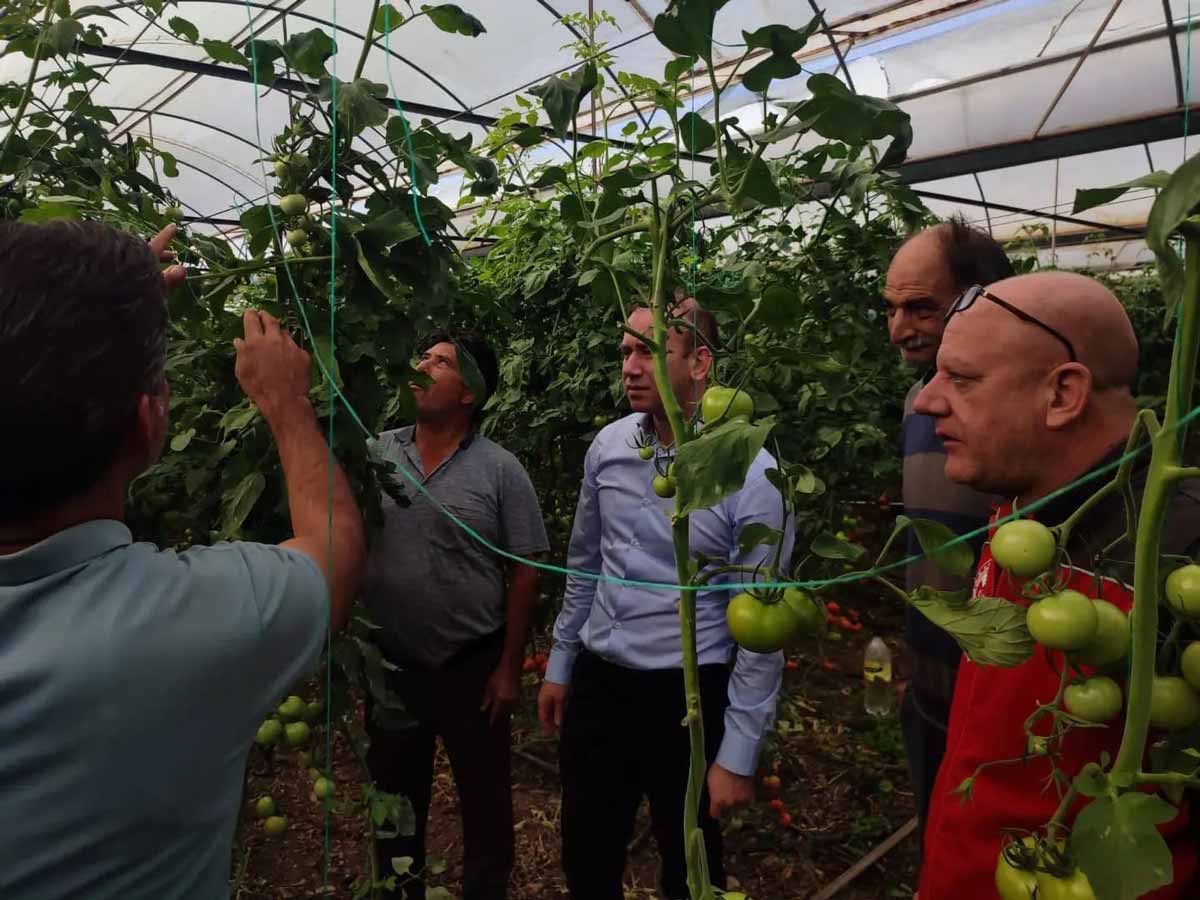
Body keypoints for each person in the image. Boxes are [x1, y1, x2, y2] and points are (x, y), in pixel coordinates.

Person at [0, 220, 365, 899]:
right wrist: (286, 405)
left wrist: (66, 317)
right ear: (147, 425)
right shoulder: (191, 627)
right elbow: (335, 544)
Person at [912, 271, 1200, 897]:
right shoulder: (1021, 507)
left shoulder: (1179, 566)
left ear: (1064, 394)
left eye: (961, 379)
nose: (926, 400)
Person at [537, 299, 792, 900]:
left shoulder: (752, 475)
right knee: (587, 845)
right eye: (625, 351)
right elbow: (584, 564)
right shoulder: (609, 446)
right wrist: (561, 661)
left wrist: (737, 750)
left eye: (649, 352)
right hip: (602, 679)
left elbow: (762, 622)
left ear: (700, 362)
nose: (629, 367)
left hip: (688, 694)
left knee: (689, 857)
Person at [363, 330, 549, 900]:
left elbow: (525, 569)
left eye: (440, 362)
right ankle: (398, 890)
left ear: (470, 390)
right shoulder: (376, 452)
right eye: (422, 355)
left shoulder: (500, 470)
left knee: (486, 800)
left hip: (472, 663)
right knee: (394, 800)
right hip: (393, 663)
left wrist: (509, 668)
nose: (422, 366)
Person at [882, 217, 1013, 860]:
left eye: (919, 306)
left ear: (977, 296)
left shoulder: (1019, 407)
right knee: (943, 842)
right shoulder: (917, 402)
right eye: (892, 307)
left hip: (1001, 688)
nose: (900, 324)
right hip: (931, 675)